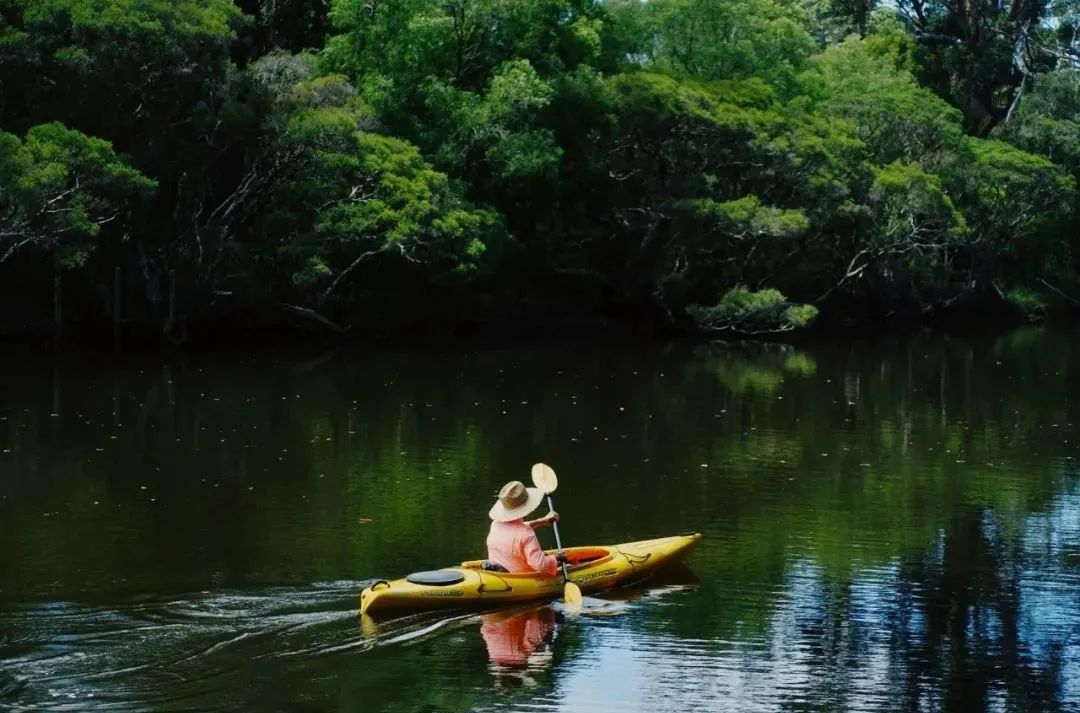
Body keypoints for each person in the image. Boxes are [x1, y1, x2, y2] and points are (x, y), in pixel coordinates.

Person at [486, 480, 565, 575]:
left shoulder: (496, 524)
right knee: (567, 566)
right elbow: (540, 565)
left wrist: (541, 521)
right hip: (521, 578)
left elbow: (515, 532)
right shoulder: (526, 534)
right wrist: (556, 559)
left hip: (498, 574)